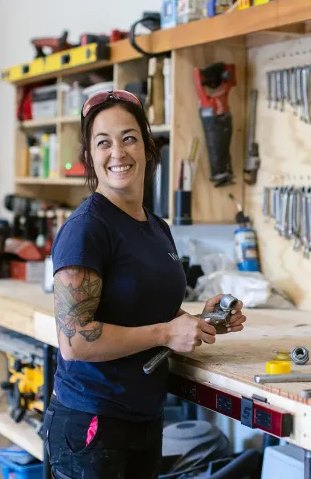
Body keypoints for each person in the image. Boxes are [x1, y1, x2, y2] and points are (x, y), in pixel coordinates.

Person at [42, 89, 247, 479]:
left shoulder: (156, 228)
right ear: (89, 157)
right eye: (103, 142)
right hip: (93, 425)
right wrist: (166, 331)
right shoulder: (87, 228)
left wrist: (203, 319)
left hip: (144, 419)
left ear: (148, 147)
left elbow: (151, 316)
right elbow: (76, 341)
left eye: (129, 138)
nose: (118, 153)